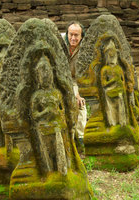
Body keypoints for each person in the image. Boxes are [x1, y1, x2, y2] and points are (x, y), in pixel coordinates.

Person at [65, 21, 87, 152]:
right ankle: (69, 136)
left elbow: (83, 74)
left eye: (76, 35)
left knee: (80, 104)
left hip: (77, 82)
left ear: (81, 36)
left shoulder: (84, 49)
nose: (73, 38)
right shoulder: (61, 44)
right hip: (62, 79)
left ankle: (80, 138)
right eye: (71, 34)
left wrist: (78, 94)